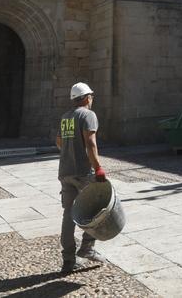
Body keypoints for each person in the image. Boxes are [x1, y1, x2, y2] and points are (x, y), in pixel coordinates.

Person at [56, 82, 107, 274]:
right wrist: (98, 168)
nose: (92, 99)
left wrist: (68, 153)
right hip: (83, 173)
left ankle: (68, 260)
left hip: (65, 173)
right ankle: (87, 248)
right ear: (86, 98)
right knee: (94, 210)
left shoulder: (65, 117)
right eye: (91, 96)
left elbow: (59, 141)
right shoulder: (88, 115)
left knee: (68, 215)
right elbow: (91, 143)